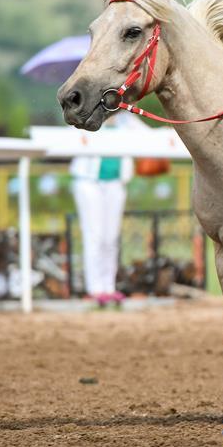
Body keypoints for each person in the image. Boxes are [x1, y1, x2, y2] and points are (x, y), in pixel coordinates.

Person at [70, 112, 143, 306]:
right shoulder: (89, 111)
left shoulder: (127, 120)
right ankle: (95, 288)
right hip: (89, 182)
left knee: (111, 237)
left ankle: (109, 287)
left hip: (115, 184)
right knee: (94, 235)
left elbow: (149, 137)